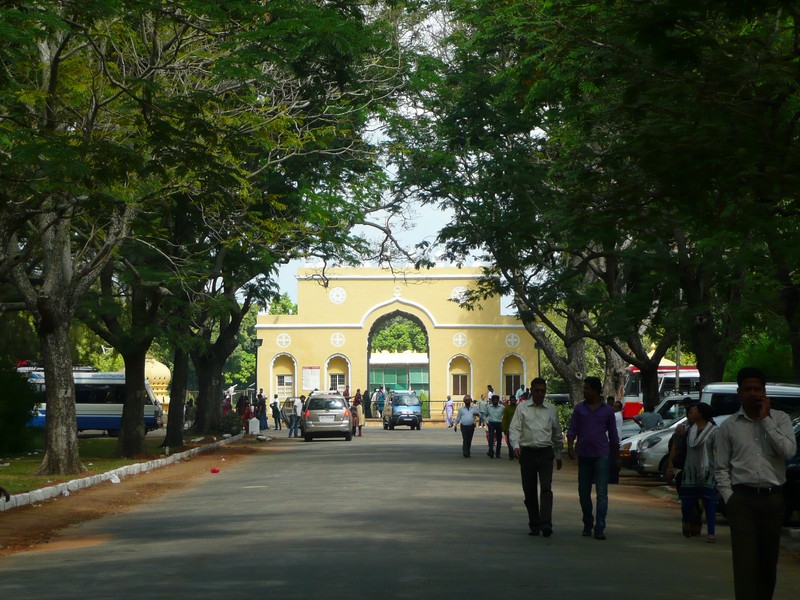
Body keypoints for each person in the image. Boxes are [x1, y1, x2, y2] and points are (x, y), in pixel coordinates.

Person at [714, 367, 797, 600]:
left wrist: (765, 420)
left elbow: (789, 452)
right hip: (742, 500)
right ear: (739, 393)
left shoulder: (780, 419)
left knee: (767, 562)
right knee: (744, 563)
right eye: (748, 389)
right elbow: (721, 466)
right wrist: (729, 497)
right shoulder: (729, 426)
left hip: (773, 499)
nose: (753, 394)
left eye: (757, 389)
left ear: (764, 392)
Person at [567, 377, 619, 540]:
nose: (584, 391)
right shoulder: (579, 409)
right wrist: (570, 447)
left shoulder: (607, 411)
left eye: (587, 388)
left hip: (602, 455)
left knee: (602, 493)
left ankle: (600, 526)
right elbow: (572, 429)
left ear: (596, 391)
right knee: (583, 492)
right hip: (584, 455)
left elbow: (613, 434)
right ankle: (588, 522)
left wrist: (615, 457)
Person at [510, 378, 563, 537]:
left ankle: (546, 523)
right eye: (537, 390)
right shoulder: (522, 408)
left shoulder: (551, 409)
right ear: (531, 391)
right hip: (527, 453)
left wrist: (559, 454)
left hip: (546, 453)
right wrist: (515, 445)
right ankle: (534, 523)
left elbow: (557, 433)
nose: (540, 393)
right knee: (529, 490)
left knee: (546, 488)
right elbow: (515, 428)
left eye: (543, 391)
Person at [670, 402, 718, 542]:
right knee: (687, 502)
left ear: (701, 414)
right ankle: (686, 522)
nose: (691, 412)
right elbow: (679, 445)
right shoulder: (690, 430)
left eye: (695, 410)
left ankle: (711, 532)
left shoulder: (714, 431)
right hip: (690, 471)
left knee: (709, 503)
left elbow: (719, 450)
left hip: (707, 472)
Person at [485, 394, 504, 458]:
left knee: (499, 438)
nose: (495, 401)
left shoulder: (502, 407)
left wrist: (503, 423)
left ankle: (498, 453)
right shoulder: (488, 407)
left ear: (498, 400)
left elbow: (505, 415)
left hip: (499, 423)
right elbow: (484, 415)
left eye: (496, 400)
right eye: (494, 400)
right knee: (491, 438)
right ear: (492, 401)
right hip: (491, 423)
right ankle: (491, 451)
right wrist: (487, 422)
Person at [502, 394, 520, 460]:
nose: (512, 401)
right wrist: (504, 428)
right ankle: (511, 455)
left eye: (513, 400)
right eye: (511, 400)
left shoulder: (518, 408)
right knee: (510, 442)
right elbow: (504, 418)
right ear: (509, 401)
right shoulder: (507, 408)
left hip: (517, 427)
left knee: (518, 441)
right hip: (509, 428)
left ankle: (517, 454)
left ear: (515, 400)